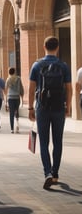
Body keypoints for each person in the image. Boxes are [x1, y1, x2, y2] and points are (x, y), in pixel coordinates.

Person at [28, 36, 72, 190]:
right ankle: (55, 174)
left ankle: (47, 172)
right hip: (59, 107)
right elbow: (69, 88)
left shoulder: (37, 65)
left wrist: (30, 108)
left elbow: (31, 88)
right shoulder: (64, 66)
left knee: (44, 142)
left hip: (42, 107)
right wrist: (68, 106)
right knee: (58, 141)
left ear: (43, 46)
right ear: (57, 47)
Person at [5, 67, 24, 133]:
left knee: (11, 113)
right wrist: (22, 96)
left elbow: (6, 90)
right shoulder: (18, 78)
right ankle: (17, 125)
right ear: (14, 72)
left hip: (10, 98)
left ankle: (12, 129)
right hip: (17, 97)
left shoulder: (8, 79)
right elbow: (21, 87)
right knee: (17, 111)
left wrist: (6, 101)